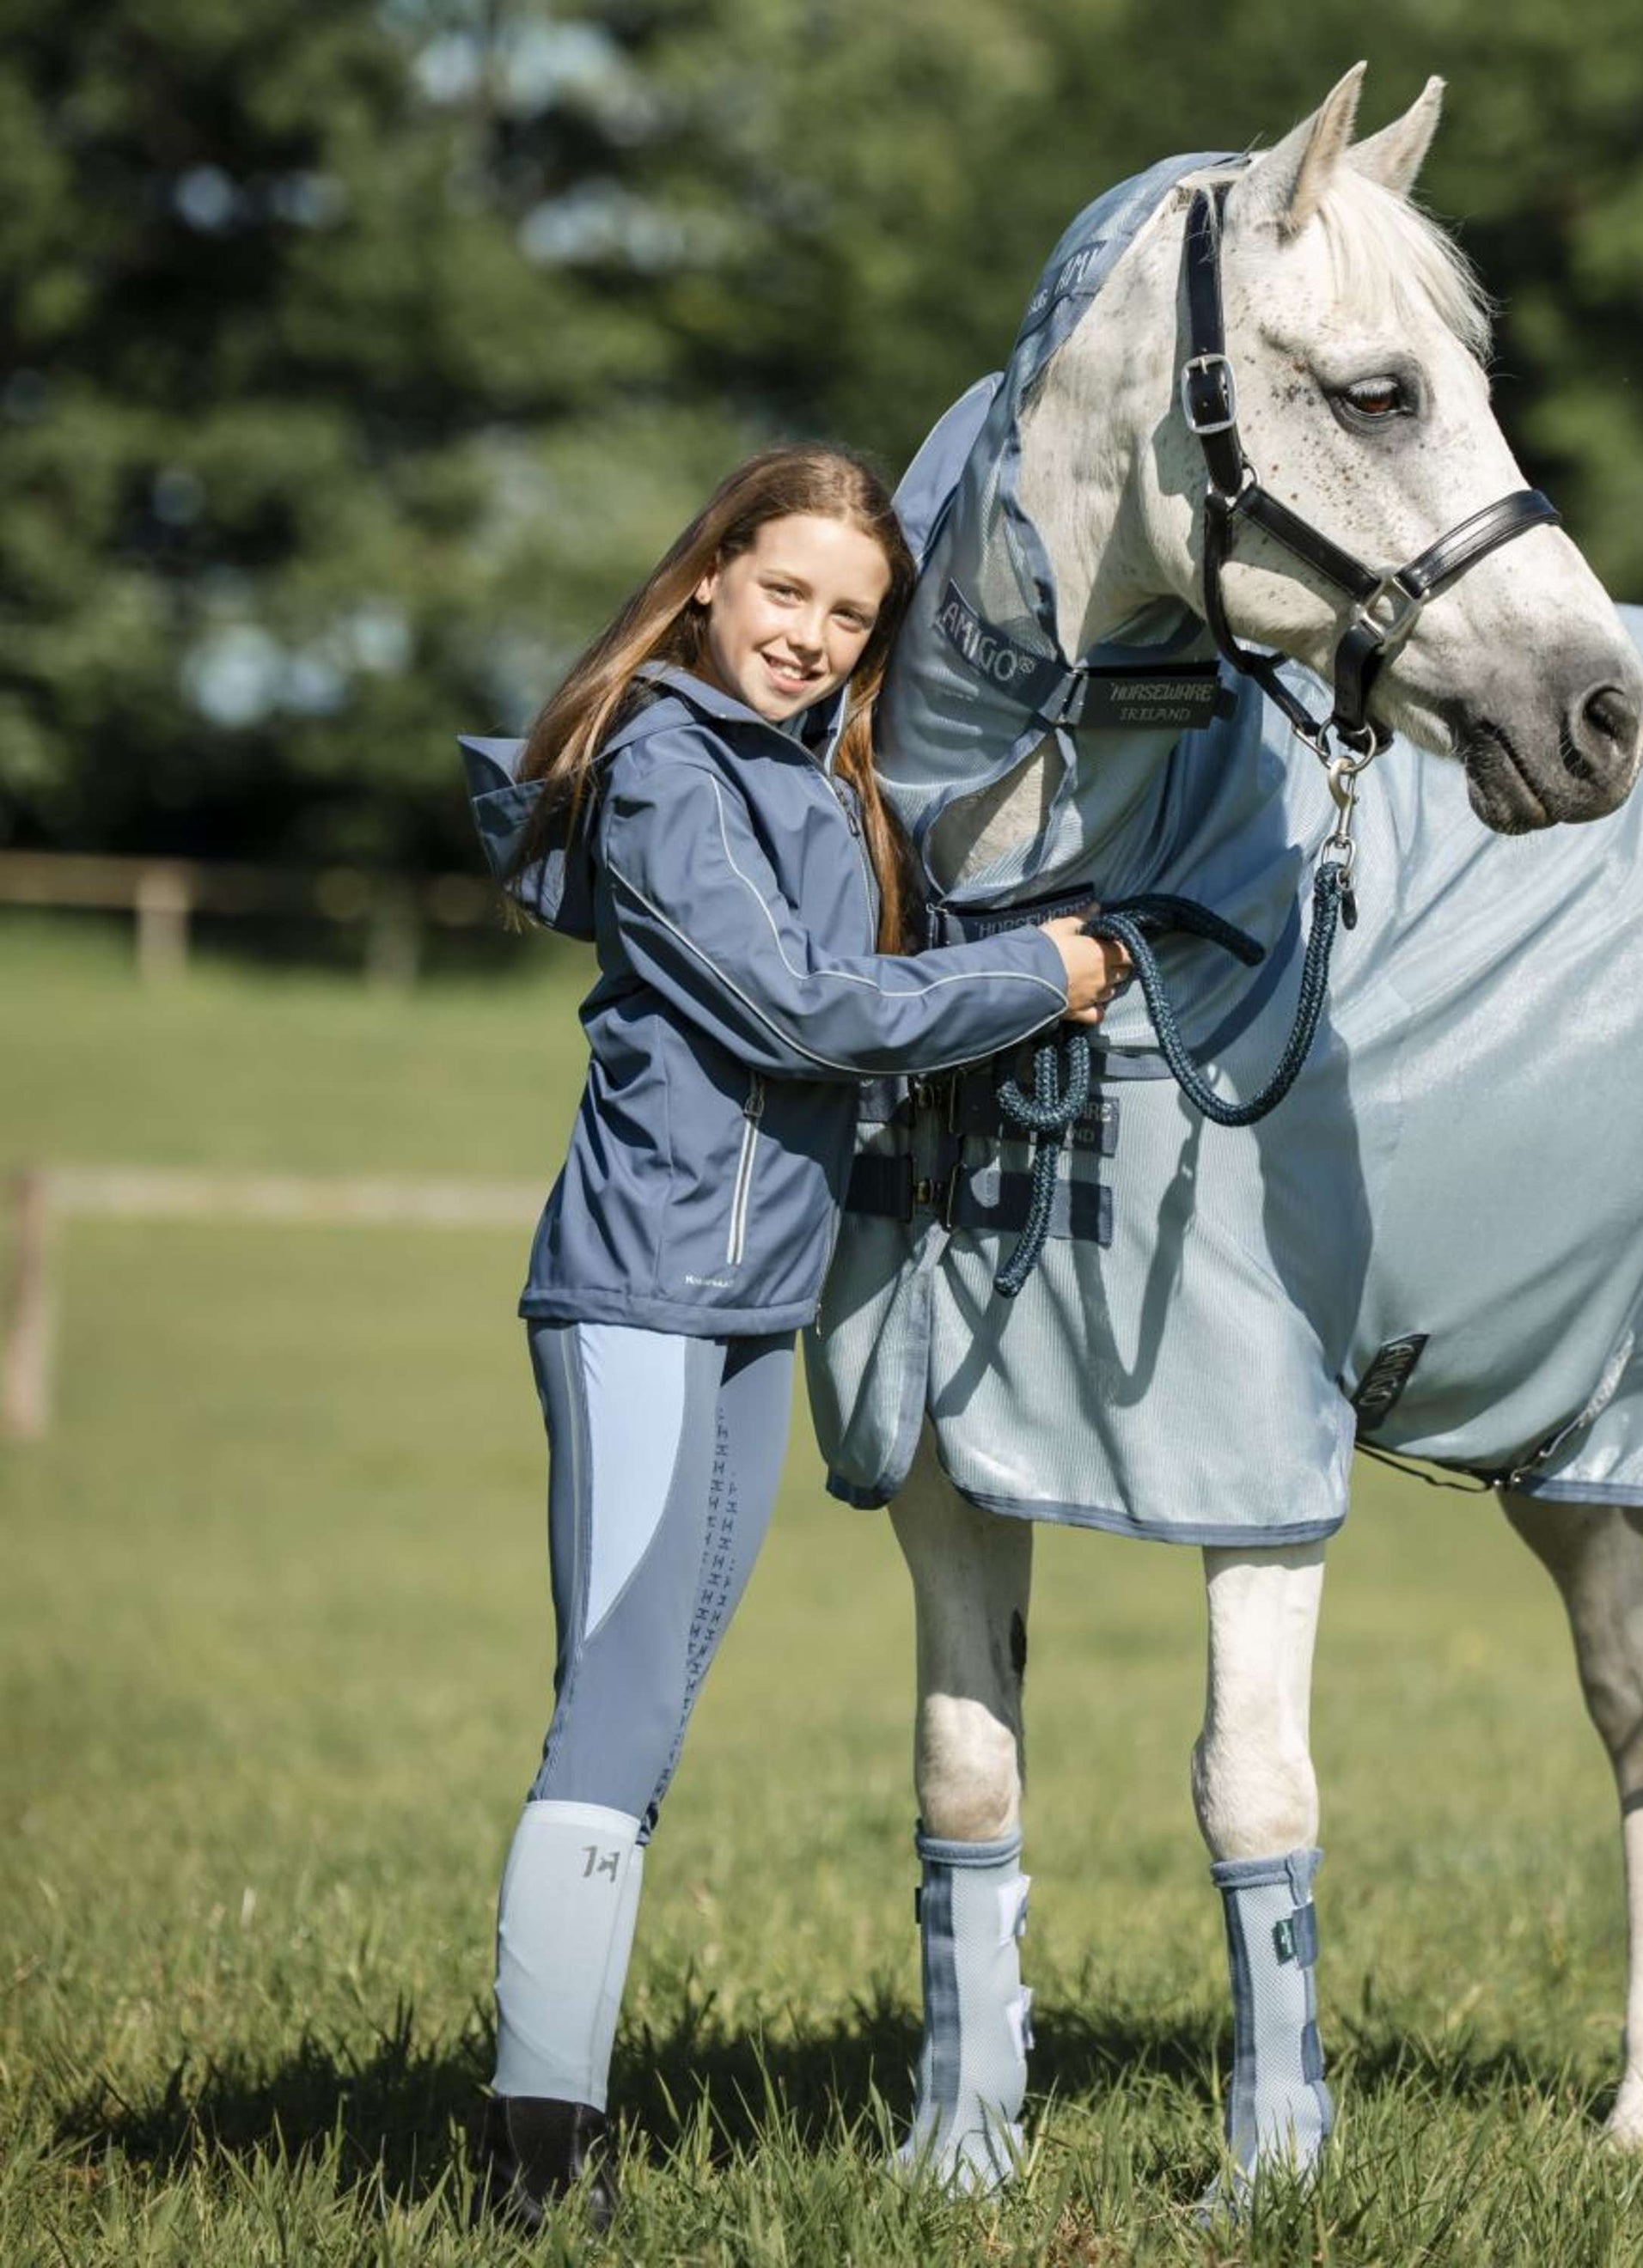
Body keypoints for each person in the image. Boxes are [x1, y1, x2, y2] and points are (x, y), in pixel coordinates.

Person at [456, 445, 1127, 2229]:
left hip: (755, 1311)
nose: (814, 636)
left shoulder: (805, 783)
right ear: (705, 581)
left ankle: (550, 2121)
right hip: (640, 1301)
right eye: (785, 593)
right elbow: (806, 1009)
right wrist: (1040, 979)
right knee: (613, 1707)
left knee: (655, 1708)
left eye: (853, 616)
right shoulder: (672, 765)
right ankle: (539, 2168)